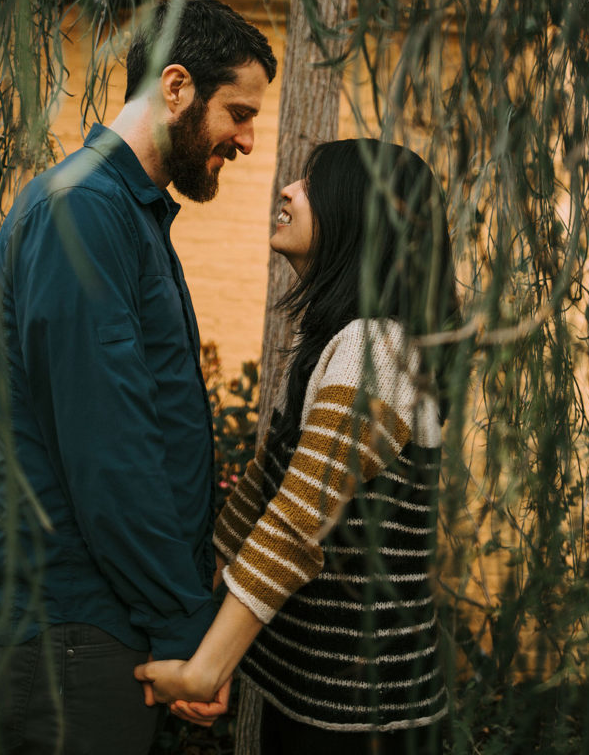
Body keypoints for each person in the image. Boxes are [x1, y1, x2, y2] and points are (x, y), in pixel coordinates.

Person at [0, 0, 277, 755]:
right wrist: (185, 629)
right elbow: (108, 449)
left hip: (99, 630)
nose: (246, 140)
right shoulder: (84, 213)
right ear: (175, 88)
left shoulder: (125, 214)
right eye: (238, 113)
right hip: (73, 636)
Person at [135, 138, 459, 753]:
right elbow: (262, 494)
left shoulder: (377, 351)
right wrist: (209, 644)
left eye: (312, 185)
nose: (287, 190)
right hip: (312, 703)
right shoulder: (337, 343)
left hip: (364, 722)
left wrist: (205, 667)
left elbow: (298, 520)